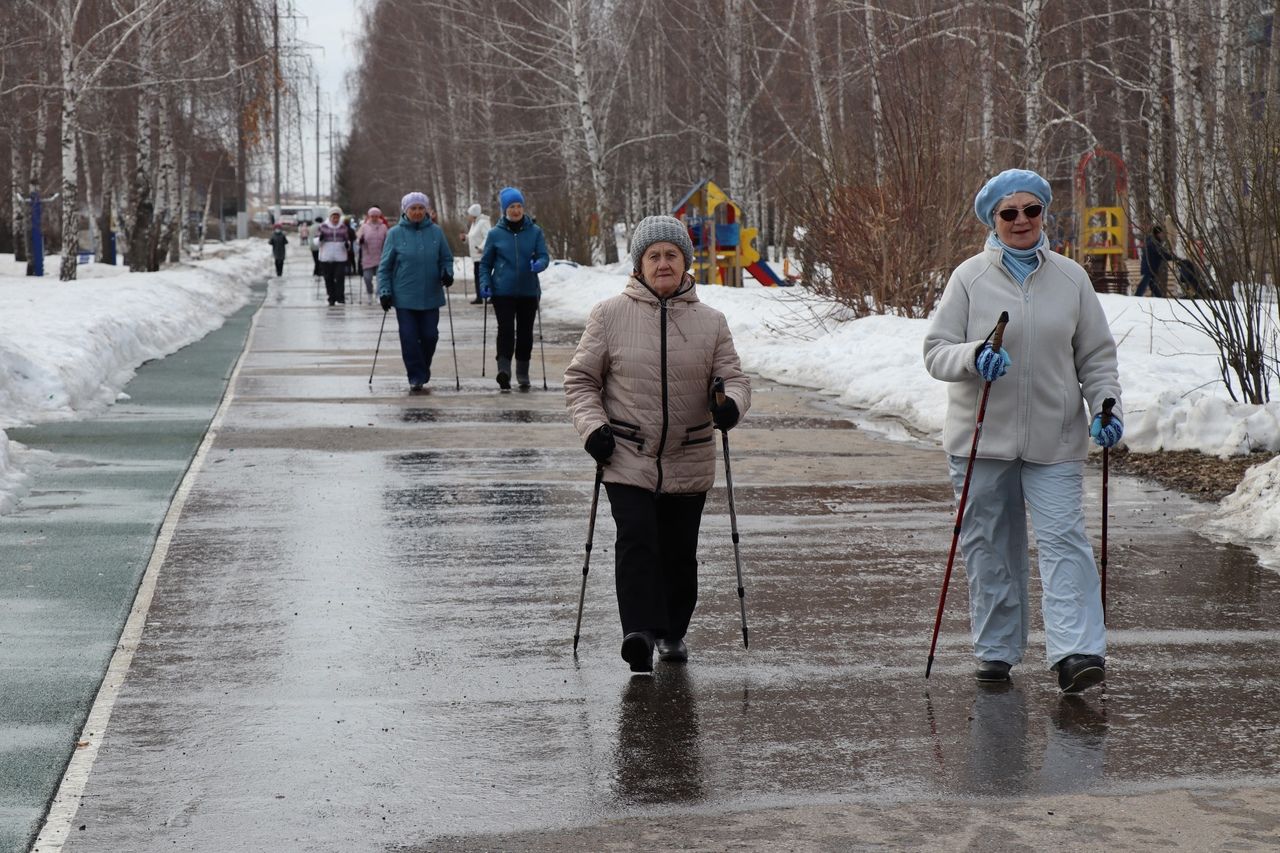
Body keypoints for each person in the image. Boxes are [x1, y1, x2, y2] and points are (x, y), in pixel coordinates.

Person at [922, 168, 1123, 694]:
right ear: (993, 219)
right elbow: (936, 352)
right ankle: (995, 651)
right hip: (981, 438)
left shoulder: (1071, 278)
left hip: (1055, 438)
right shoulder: (969, 278)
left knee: (1064, 540)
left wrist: (1106, 406)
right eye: (1009, 213)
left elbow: (1097, 356)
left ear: (1043, 215)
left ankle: (1077, 652)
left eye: (1031, 210)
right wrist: (974, 356)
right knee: (990, 545)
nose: (1021, 221)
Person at [564, 214, 751, 674]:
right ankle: (639, 633)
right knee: (637, 539)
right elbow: (581, 381)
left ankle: (672, 631)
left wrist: (730, 406)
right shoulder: (609, 315)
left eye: (671, 255)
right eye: (654, 256)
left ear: (685, 263)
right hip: (625, 451)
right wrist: (593, 430)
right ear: (639, 265)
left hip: (689, 451)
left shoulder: (711, 322)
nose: (663, 263)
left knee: (678, 551)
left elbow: (736, 379)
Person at [376, 192, 454, 393]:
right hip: (404, 297)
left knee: (430, 336)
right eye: (413, 208)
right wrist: (384, 291)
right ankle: (416, 375)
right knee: (409, 337)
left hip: (431, 295)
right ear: (406, 211)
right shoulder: (394, 234)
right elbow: (385, 267)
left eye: (421, 208)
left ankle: (422, 367)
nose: (418, 212)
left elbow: (446, 258)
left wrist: (447, 273)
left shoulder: (436, 232)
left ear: (426, 210)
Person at [478, 187, 550, 390]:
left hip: (529, 291)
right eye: (512, 206)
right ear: (504, 209)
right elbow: (485, 264)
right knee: (506, 331)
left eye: (519, 206)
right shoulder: (495, 234)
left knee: (526, 333)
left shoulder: (535, 232)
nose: (516, 210)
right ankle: (504, 370)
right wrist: (485, 283)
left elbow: (544, 256)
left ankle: (522, 371)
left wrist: (539, 264)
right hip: (503, 291)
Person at [317, 207, 350, 305]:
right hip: (326, 256)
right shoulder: (323, 226)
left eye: (337, 217)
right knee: (328, 278)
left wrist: (347, 245)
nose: (335, 219)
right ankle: (331, 297)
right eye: (333, 217)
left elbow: (347, 240)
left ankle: (340, 296)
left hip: (340, 256)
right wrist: (320, 239)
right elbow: (316, 242)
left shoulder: (343, 227)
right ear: (330, 217)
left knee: (340, 277)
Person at [357, 207, 389, 298]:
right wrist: (361, 240)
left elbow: (388, 240)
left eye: (376, 216)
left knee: (380, 278)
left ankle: (379, 294)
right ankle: (369, 292)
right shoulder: (364, 227)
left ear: (379, 216)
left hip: (381, 255)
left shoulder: (383, 227)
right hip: (367, 256)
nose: (374, 218)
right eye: (372, 216)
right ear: (369, 216)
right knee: (367, 278)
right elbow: (358, 240)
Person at [463, 202, 491, 305]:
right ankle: (479, 296)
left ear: (474, 214)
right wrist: (465, 238)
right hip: (475, 256)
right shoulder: (474, 224)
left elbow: (488, 236)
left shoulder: (483, 222)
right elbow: (473, 237)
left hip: (482, 255)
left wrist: (481, 248)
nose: (468, 216)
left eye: (469, 214)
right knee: (478, 276)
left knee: (483, 276)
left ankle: (488, 296)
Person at [1135, 225, 1172, 297]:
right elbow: (1161, 254)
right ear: (1157, 234)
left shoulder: (1152, 241)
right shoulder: (1154, 243)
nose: (1163, 235)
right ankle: (1137, 296)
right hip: (1149, 267)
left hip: (1150, 267)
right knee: (1145, 283)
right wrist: (1173, 258)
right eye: (1161, 233)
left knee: (1152, 284)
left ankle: (1159, 297)